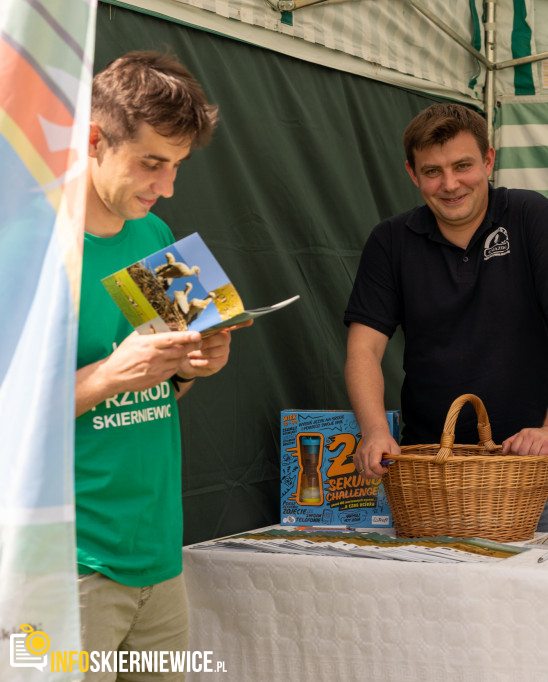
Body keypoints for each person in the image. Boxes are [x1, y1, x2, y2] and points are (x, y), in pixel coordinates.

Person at [344, 102, 548, 532]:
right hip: (426, 482)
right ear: (411, 173)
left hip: (526, 479)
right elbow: (363, 348)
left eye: (462, 166)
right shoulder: (389, 241)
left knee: (533, 601)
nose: (450, 184)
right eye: (432, 172)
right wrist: (372, 430)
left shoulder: (531, 217)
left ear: (488, 160)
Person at [75, 51, 235, 671]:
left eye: (176, 166)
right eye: (151, 163)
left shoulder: (159, 236)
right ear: (94, 140)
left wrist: (195, 366)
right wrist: (116, 371)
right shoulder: (25, 242)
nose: (166, 186)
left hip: (159, 553)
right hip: (66, 564)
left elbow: (167, 388)